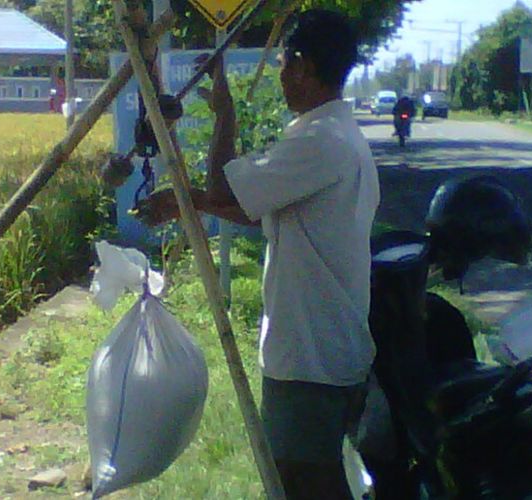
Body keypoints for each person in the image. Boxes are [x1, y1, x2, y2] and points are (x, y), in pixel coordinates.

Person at [136, 9, 379, 499]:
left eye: (286, 65)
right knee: (308, 477)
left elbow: (222, 187)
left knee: (302, 481)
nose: (282, 75)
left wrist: (224, 113)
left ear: (304, 67)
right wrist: (189, 205)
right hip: (323, 345)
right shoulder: (330, 135)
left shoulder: (320, 141)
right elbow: (252, 209)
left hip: (310, 356)